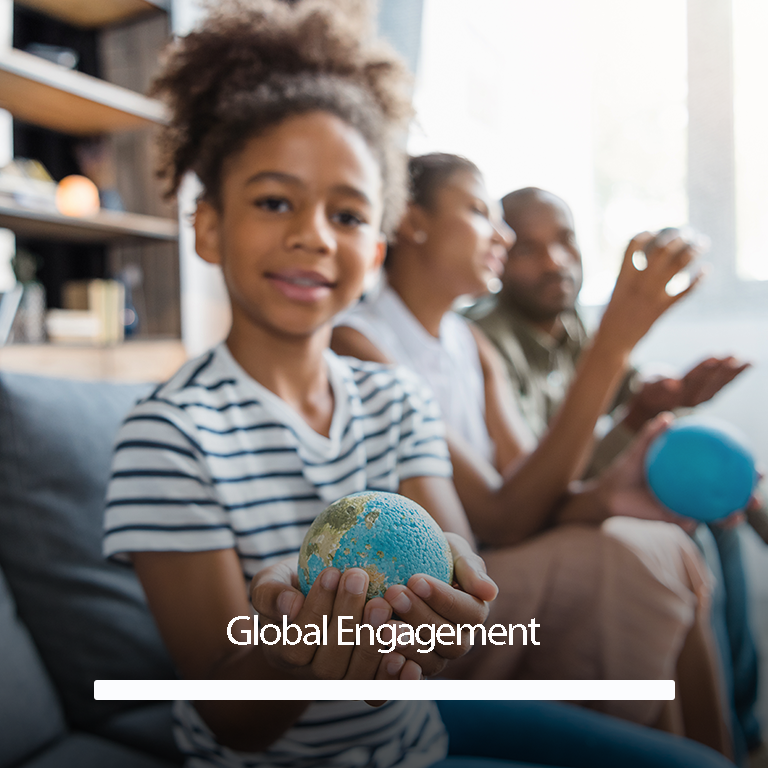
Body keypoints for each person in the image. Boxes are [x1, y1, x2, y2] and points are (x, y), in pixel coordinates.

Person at [100, 4, 734, 767]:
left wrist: (454, 607)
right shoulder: (168, 436)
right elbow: (232, 714)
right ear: (207, 227)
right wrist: (292, 650)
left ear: (375, 250)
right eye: (275, 202)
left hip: (415, 740)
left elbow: (460, 567)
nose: (314, 235)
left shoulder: (393, 399)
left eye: (348, 213)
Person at [332, 152, 732, 755]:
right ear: (411, 221)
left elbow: (532, 489)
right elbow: (501, 518)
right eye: (477, 211)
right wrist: (613, 344)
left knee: (663, 540)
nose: (504, 235)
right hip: (442, 596)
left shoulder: (468, 342)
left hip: (500, 558)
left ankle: (712, 752)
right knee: (637, 558)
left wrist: (604, 495)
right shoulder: (359, 340)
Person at [472, 186, 762, 764]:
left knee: (719, 512)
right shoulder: (486, 339)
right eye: (530, 248)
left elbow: (627, 409)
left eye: (565, 241)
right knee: (687, 534)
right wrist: (635, 415)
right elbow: (545, 481)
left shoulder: (572, 327)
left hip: (573, 500)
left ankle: (744, 730)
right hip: (533, 523)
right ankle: (726, 737)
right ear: (497, 254)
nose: (555, 260)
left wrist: (670, 401)